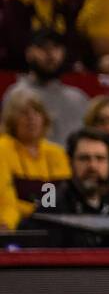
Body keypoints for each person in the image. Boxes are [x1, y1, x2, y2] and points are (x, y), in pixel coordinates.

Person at [19, 128, 109, 245]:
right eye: (84, 158)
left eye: (100, 159)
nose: (92, 166)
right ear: (70, 162)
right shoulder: (52, 205)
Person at [0, 92, 72, 230]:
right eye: (24, 113)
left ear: (44, 118)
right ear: (11, 119)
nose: (31, 118)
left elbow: (63, 197)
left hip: (56, 224)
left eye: (36, 112)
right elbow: (5, 202)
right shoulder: (2, 149)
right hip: (17, 226)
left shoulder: (57, 153)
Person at [1, 31, 85, 145]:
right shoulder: (16, 95)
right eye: (43, 47)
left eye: (56, 48)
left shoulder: (78, 98)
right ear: (29, 53)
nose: (50, 54)